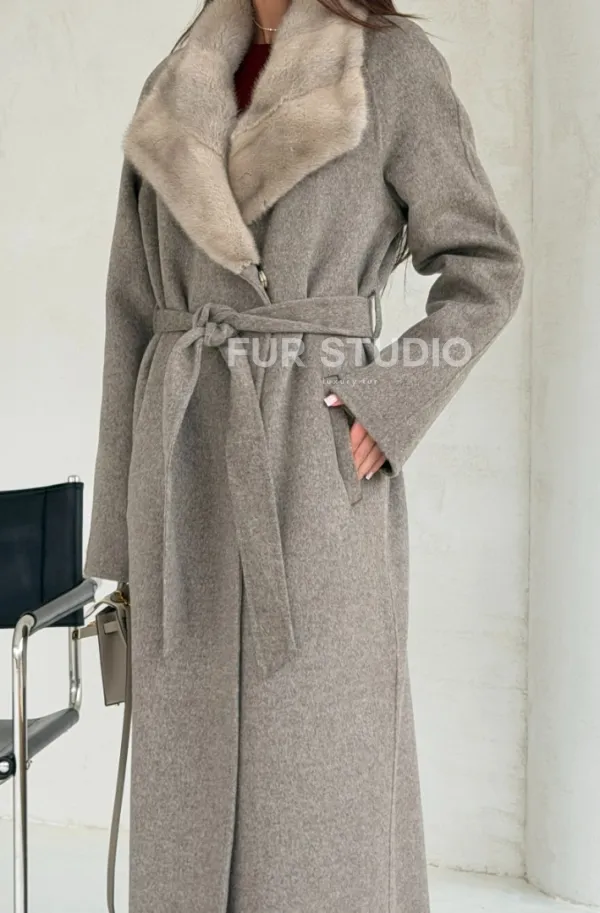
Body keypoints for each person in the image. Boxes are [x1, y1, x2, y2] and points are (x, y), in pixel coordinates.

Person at [85, 0, 525, 910]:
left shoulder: (389, 67)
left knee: (319, 775)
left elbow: (487, 269)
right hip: (184, 483)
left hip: (313, 474)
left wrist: (388, 403)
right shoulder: (179, 77)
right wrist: (122, 541)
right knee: (188, 780)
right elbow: (130, 315)